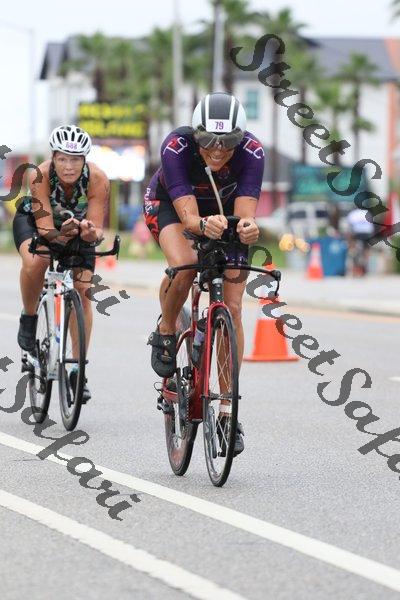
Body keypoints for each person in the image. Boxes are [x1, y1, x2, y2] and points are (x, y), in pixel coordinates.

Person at [144, 92, 264, 455]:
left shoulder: (253, 152)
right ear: (196, 133)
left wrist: (248, 229)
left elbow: (245, 214)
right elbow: (189, 218)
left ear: (241, 137)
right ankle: (167, 330)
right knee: (184, 266)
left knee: (234, 308)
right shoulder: (176, 147)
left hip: (225, 213)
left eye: (228, 140)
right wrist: (201, 225)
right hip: (172, 206)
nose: (218, 149)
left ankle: (228, 411)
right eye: (209, 139)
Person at [13, 125, 109, 401]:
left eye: (75, 159)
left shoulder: (98, 179)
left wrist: (89, 232)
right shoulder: (40, 174)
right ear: (53, 157)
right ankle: (29, 316)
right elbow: (45, 229)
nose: (69, 166)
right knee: (38, 260)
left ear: (85, 160)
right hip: (36, 224)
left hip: (75, 229)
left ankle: (78, 369)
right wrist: (62, 233)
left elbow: (96, 230)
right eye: (63, 158)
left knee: (84, 290)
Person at [346, 207, 375, 276]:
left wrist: (349, 241)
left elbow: (349, 227)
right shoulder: (367, 213)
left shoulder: (352, 214)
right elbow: (372, 226)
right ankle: (366, 264)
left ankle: (352, 252)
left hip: (357, 233)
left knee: (352, 245)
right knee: (366, 249)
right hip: (367, 233)